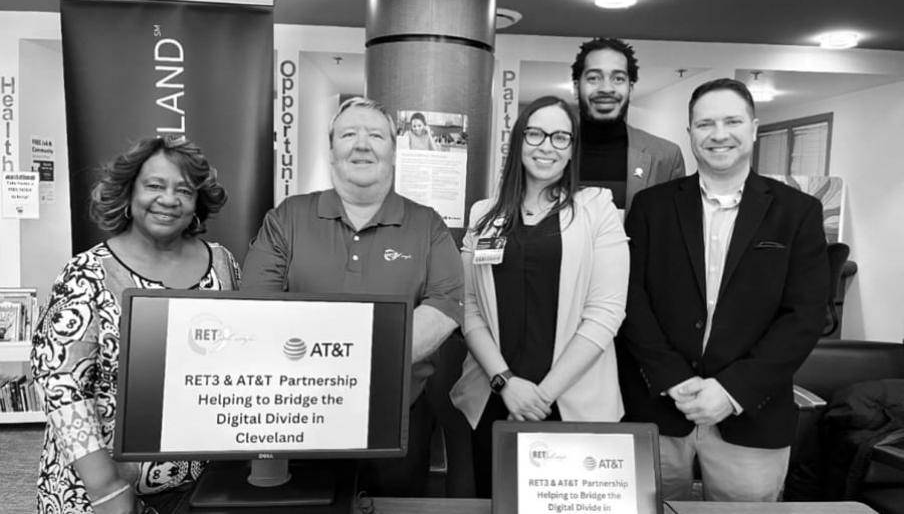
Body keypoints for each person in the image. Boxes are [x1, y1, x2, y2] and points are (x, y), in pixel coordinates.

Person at [617, 78, 829, 502]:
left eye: (732, 121)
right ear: (690, 131)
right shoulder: (651, 207)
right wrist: (672, 378)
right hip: (658, 407)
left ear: (753, 128)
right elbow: (630, 298)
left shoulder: (798, 211)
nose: (718, 134)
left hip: (752, 413)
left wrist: (732, 391)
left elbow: (805, 316)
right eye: (705, 123)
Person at [241, 97, 463, 497]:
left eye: (376, 135)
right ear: (331, 151)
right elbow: (259, 309)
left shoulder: (427, 224)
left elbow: (445, 305)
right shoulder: (287, 217)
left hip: (399, 418)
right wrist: (336, 373)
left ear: (393, 153)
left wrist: (343, 363)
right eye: (348, 134)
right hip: (301, 415)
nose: (362, 145)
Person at [31, 136, 241, 514]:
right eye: (154, 186)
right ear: (128, 194)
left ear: (197, 202)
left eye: (184, 190)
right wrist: (106, 489)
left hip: (204, 487)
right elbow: (61, 387)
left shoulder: (223, 265)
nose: (169, 199)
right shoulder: (87, 273)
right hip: (97, 492)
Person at [450, 95, 630, 498]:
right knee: (496, 501)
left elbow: (606, 313)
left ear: (571, 150)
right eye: (535, 133)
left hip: (570, 403)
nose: (546, 145)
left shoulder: (597, 208)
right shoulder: (484, 214)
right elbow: (470, 307)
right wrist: (506, 383)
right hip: (496, 397)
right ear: (518, 141)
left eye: (560, 137)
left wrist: (540, 396)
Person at [571, 37, 686, 212]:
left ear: (630, 90)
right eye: (594, 78)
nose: (606, 88)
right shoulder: (546, 150)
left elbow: (673, 229)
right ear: (576, 88)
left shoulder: (666, 157)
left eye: (618, 79)